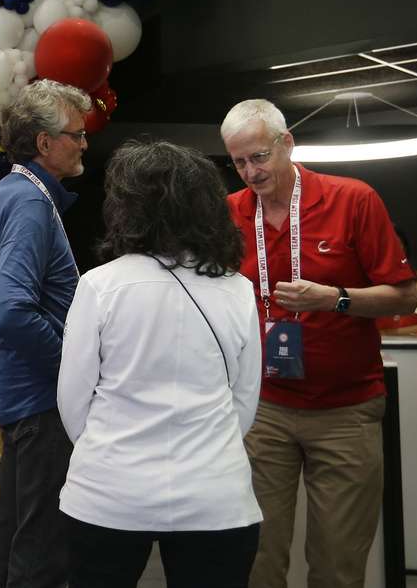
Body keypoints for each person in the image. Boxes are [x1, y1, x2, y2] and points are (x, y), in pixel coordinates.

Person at [220, 99, 417, 588]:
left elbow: (405, 293)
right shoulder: (229, 213)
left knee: (337, 562)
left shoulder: (353, 200)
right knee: (256, 556)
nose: (250, 172)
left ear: (287, 144)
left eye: (259, 156)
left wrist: (336, 299)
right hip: (262, 408)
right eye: (239, 162)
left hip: (345, 410)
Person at [57, 140, 263, 588]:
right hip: (216, 493)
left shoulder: (99, 285)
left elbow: (73, 400)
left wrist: (109, 450)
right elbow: (245, 400)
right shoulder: (238, 290)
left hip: (108, 490)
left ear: (127, 208)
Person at [0, 79, 91, 588]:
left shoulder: (10, 193)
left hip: (22, 396)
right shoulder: (29, 203)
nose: (85, 143)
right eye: (76, 134)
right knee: (42, 551)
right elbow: (10, 314)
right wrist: (75, 367)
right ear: (45, 143)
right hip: (42, 403)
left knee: (17, 537)